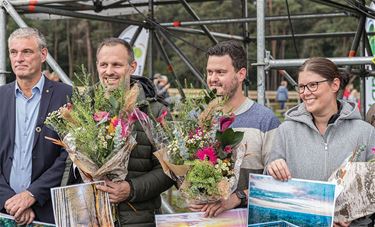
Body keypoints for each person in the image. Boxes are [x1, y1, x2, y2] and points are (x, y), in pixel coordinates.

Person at [68, 38, 174, 227]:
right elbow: (69, 163)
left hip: (137, 220)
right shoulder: (81, 108)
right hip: (90, 219)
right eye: (104, 65)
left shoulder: (154, 111)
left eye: (117, 65)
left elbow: (170, 169)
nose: (109, 71)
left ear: (132, 66)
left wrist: (130, 189)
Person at [266, 57, 375, 227]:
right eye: (301, 87)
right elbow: (269, 185)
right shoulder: (286, 131)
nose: (305, 92)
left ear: (334, 85)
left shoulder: (365, 132)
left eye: (312, 85)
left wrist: (352, 215)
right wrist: (273, 167)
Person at [188, 40, 280, 217]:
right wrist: (193, 194)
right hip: (205, 219)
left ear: (241, 74)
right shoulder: (195, 118)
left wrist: (238, 197)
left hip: (249, 219)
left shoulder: (265, 120)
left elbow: (276, 183)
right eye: (210, 72)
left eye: (221, 72)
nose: (213, 78)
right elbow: (183, 171)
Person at [0, 27, 72, 224]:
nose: (19, 58)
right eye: (14, 52)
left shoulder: (67, 96)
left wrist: (32, 194)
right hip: (4, 211)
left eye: (27, 51)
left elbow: (70, 156)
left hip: (49, 210)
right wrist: (10, 201)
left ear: (43, 55)